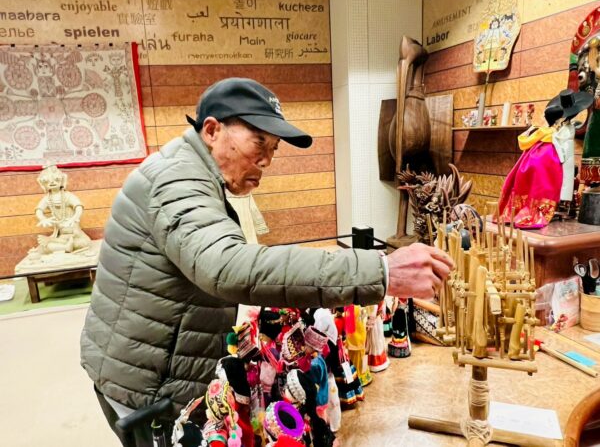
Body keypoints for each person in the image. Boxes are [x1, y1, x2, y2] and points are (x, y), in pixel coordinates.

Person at [80, 77, 454, 445]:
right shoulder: (175, 180)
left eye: (273, 148)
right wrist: (381, 271)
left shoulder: (185, 170)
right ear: (211, 130)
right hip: (148, 390)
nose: (267, 160)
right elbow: (228, 266)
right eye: (259, 142)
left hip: (158, 367)